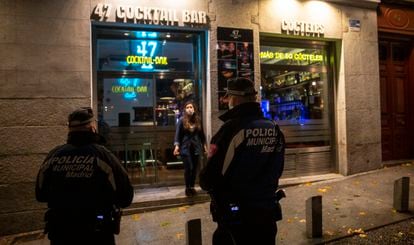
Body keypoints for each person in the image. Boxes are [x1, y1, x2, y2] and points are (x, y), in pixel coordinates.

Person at [199, 77, 285, 245]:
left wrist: (205, 182)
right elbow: (278, 168)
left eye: (228, 97)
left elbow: (211, 175)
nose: (227, 100)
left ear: (235, 98)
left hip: (237, 219)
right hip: (267, 213)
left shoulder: (231, 129)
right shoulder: (273, 128)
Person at [35, 107, 134, 245]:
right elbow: (125, 196)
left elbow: (40, 194)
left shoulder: (54, 156)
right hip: (96, 234)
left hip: (61, 232)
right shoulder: (103, 156)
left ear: (69, 129)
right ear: (92, 127)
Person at [173, 101, 207, 197]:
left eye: (191, 107)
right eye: (187, 107)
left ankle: (192, 187)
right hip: (185, 148)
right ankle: (187, 187)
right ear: (185, 109)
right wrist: (176, 146)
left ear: (194, 109)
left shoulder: (198, 120)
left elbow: (201, 134)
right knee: (189, 168)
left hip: (196, 148)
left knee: (195, 169)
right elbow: (177, 135)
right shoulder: (181, 120)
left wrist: (204, 146)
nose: (189, 109)